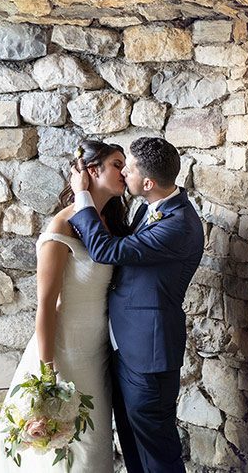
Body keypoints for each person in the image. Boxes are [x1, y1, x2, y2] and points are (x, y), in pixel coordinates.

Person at [0, 140, 129, 473]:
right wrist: (47, 372)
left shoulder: (109, 223)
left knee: (93, 450)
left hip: (98, 355)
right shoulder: (61, 227)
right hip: (64, 354)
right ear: (92, 171)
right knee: (64, 456)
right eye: (117, 164)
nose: (125, 172)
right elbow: (46, 306)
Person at [68, 137, 204, 473]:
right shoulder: (147, 207)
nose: (123, 171)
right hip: (126, 347)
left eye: (127, 167)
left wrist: (82, 196)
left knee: (158, 452)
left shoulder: (178, 226)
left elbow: (108, 251)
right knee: (132, 442)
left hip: (150, 356)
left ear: (147, 182)